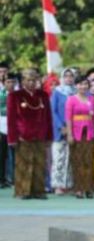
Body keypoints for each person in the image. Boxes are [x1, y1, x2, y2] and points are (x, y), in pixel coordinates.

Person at [7, 69, 53, 199]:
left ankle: (38, 191)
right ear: (22, 82)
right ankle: (23, 191)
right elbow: (11, 119)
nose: (31, 83)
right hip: (22, 136)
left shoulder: (43, 95)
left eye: (34, 80)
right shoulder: (15, 96)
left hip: (40, 134)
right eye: (28, 80)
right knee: (24, 164)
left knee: (40, 163)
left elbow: (48, 117)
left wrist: (49, 136)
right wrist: (12, 138)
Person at [65, 75, 94, 199]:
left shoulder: (92, 99)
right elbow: (68, 118)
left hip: (89, 133)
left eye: (85, 84)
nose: (83, 86)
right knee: (77, 160)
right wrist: (69, 134)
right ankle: (78, 188)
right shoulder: (71, 99)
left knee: (89, 160)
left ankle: (88, 188)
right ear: (76, 86)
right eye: (80, 84)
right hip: (76, 133)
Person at [50, 68, 76, 195]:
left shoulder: (78, 92)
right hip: (59, 130)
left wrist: (72, 128)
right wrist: (61, 126)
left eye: (71, 76)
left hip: (75, 129)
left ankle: (69, 184)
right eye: (66, 76)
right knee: (59, 157)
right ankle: (58, 185)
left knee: (71, 158)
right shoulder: (57, 92)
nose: (69, 78)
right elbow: (53, 111)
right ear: (62, 78)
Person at [3, 73, 18, 186]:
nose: (11, 84)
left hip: (18, 127)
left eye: (13, 82)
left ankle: (16, 178)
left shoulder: (19, 95)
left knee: (17, 154)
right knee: (3, 154)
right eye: (8, 82)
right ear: (4, 83)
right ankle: (4, 178)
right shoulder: (1, 95)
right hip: (2, 126)